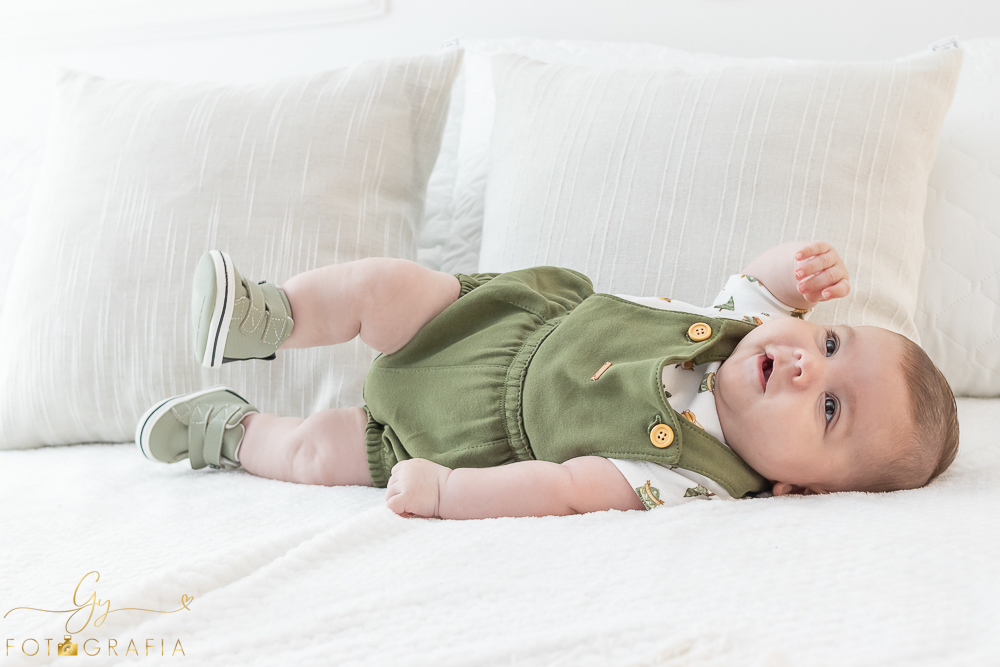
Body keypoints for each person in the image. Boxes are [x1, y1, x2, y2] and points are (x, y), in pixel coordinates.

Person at [136, 241, 959, 519]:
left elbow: (565, 487)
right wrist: (798, 267)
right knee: (384, 287)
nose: (809, 361)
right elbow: (763, 280)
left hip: (457, 437)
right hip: (492, 325)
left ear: (799, 489)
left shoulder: (689, 480)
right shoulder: (743, 329)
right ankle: (270, 316)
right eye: (831, 338)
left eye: (828, 406)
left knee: (319, 452)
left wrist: (448, 491)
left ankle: (234, 434)